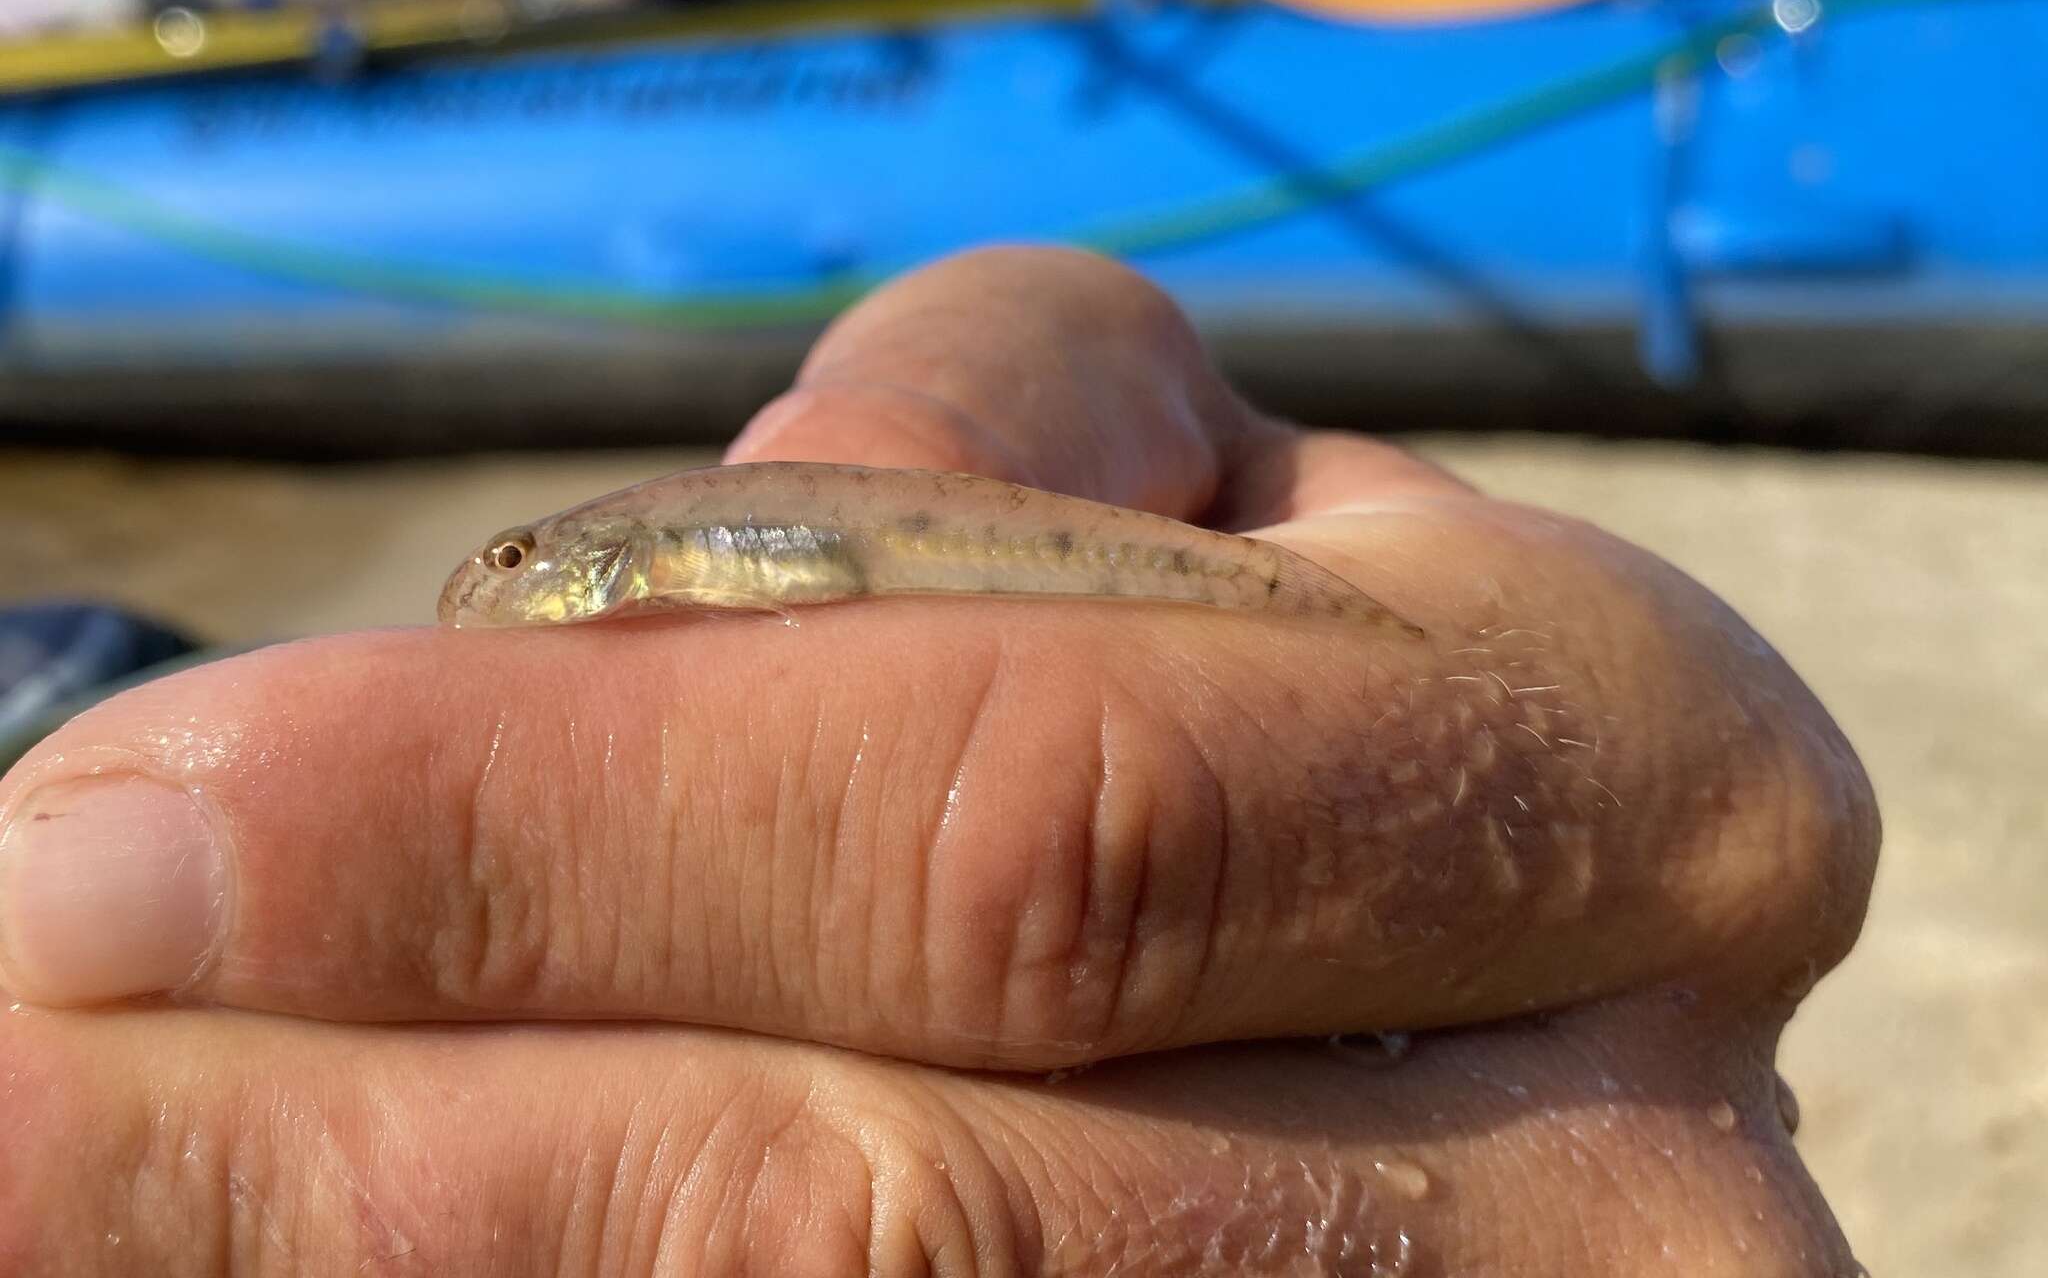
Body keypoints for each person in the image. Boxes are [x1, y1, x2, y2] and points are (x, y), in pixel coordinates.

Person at [0, 247, 1877, 1273]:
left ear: (564, 562)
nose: (493, 594)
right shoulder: (616, 559)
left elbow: (795, 553)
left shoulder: (632, 551)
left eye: (510, 572)